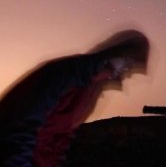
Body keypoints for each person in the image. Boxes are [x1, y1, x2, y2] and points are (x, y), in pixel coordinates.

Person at [0, 30, 150, 167]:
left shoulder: (90, 93)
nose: (128, 71)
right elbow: (22, 124)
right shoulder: (66, 73)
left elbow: (62, 139)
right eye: (128, 61)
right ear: (116, 51)